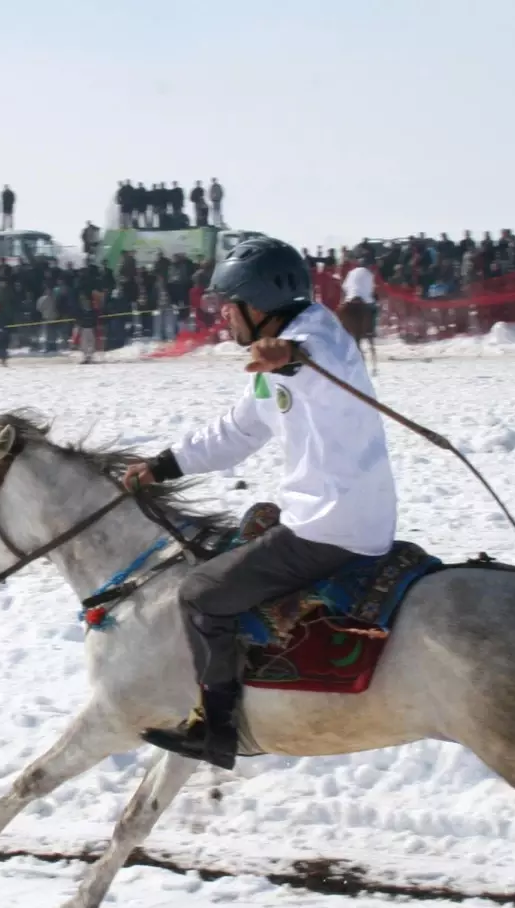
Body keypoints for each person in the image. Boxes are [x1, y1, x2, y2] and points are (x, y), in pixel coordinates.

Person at [122, 237, 397, 769]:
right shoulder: (285, 350)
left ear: (260, 302)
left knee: (201, 593)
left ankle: (215, 728)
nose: (223, 316)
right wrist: (161, 465)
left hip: (330, 525)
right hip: (336, 512)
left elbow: (321, 364)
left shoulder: (315, 338)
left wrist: (289, 359)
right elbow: (239, 431)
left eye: (229, 304)